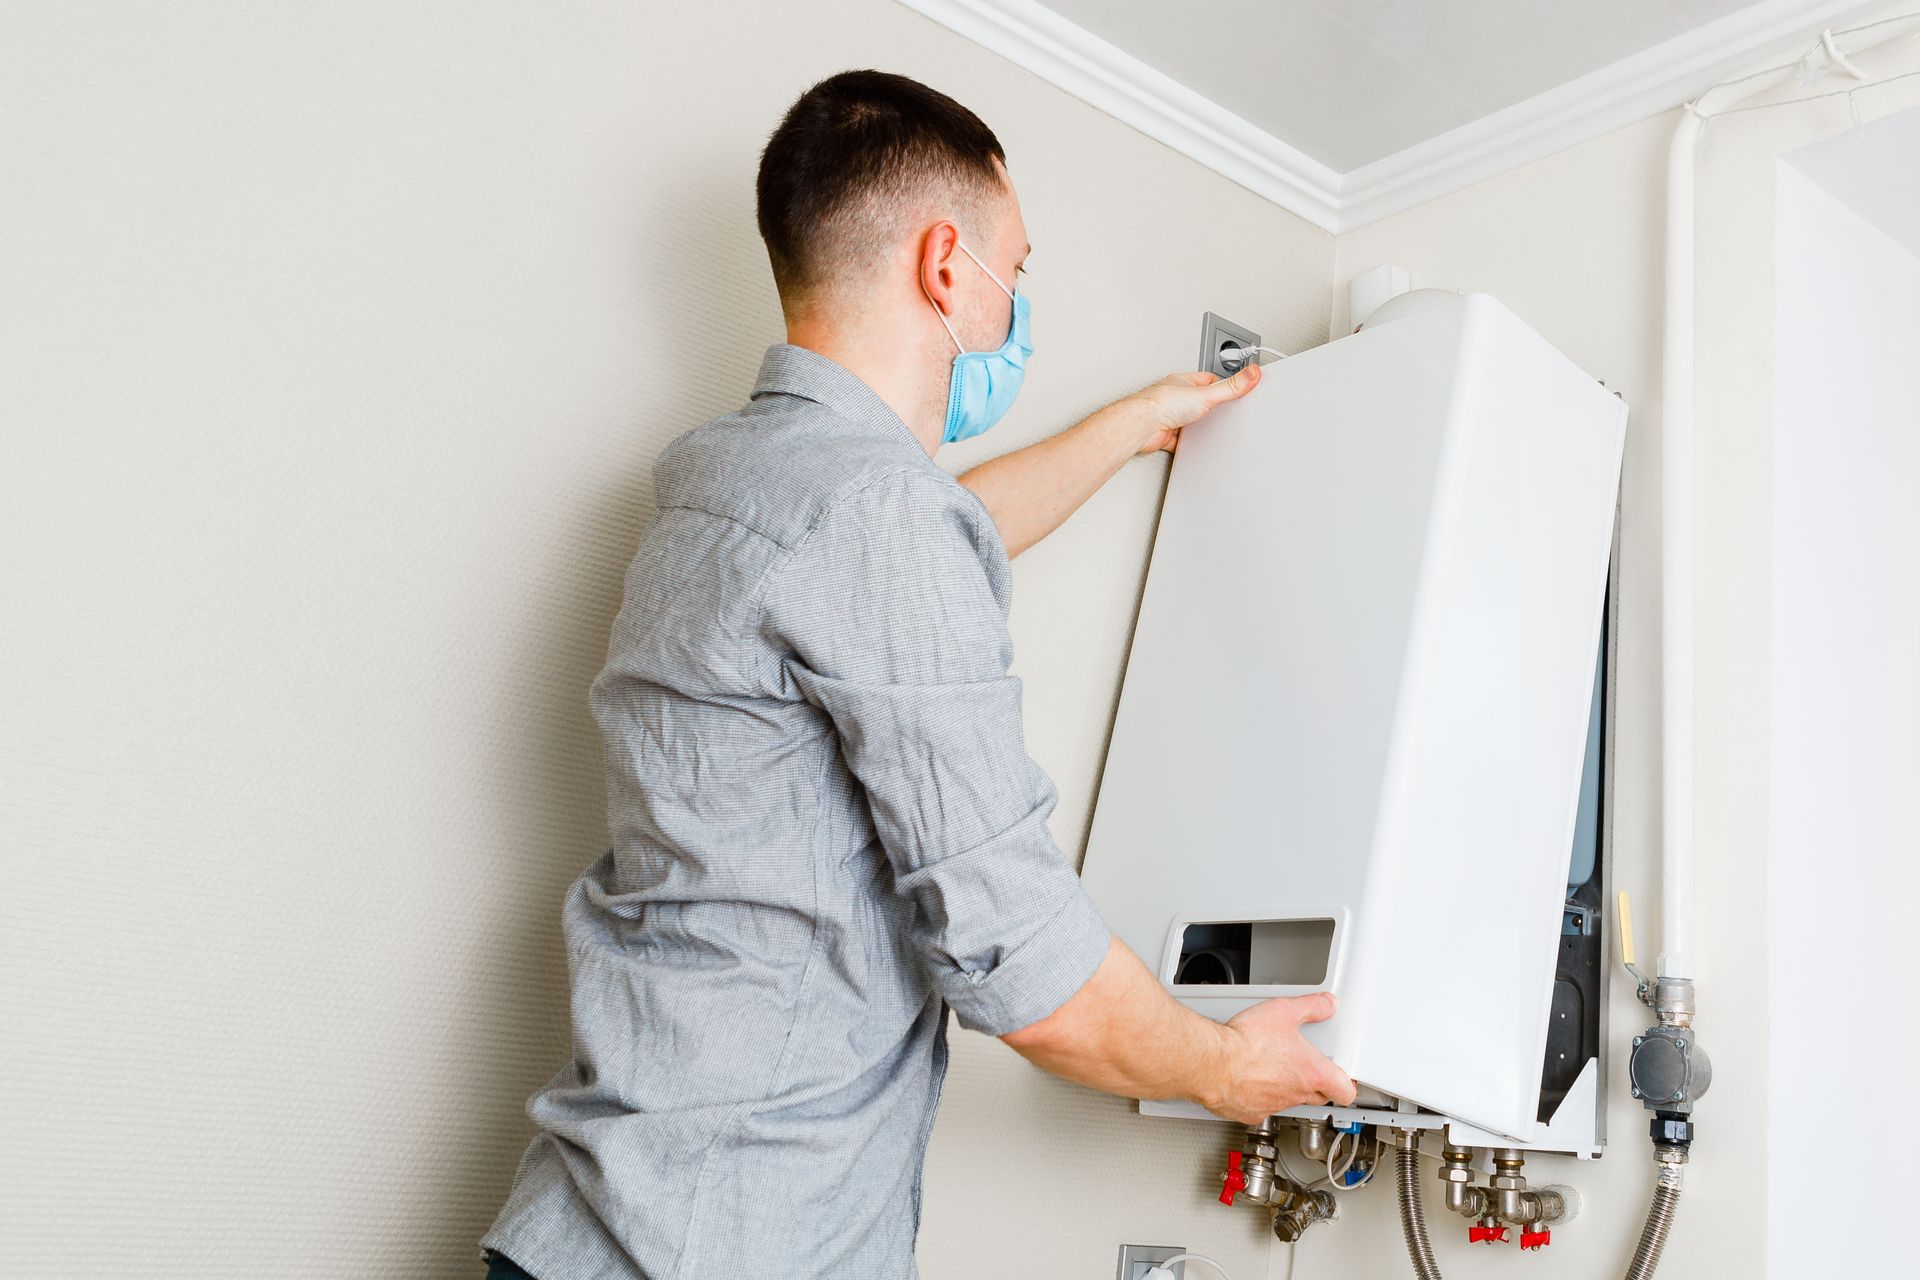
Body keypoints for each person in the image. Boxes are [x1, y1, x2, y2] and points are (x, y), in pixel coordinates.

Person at [479, 68, 1356, 1280]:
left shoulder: (725, 477)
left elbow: (933, 538)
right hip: (730, 1244)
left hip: (586, 1224)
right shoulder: (876, 519)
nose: (1015, 309)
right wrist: (1224, 1065)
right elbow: (1026, 962)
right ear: (949, 268)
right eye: (1017, 270)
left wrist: (1128, 426)